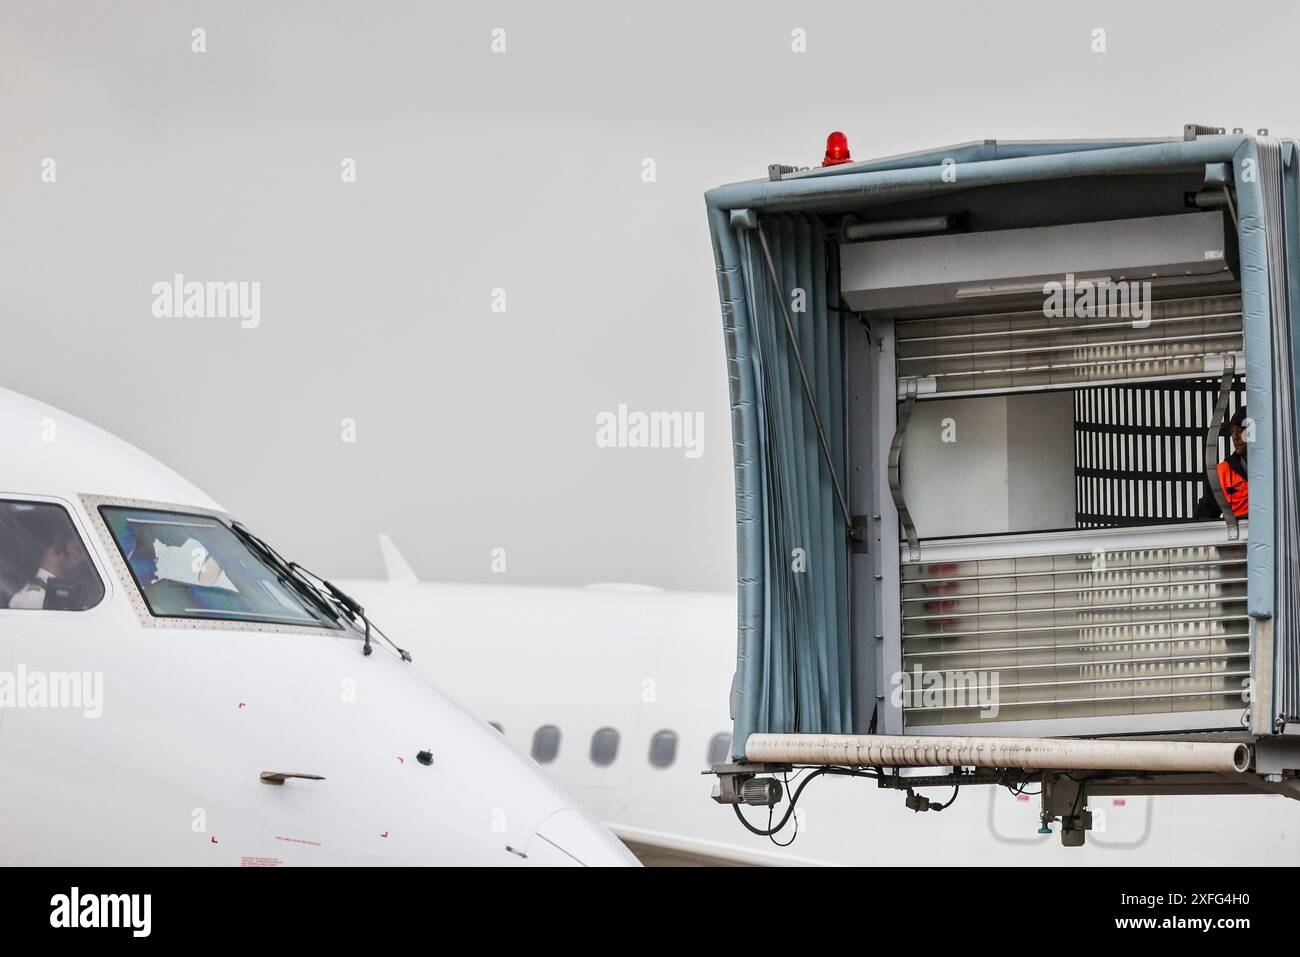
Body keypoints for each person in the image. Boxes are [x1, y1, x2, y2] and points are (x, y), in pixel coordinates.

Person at [8, 521, 93, 609]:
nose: (83, 558)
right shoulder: (35, 596)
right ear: (54, 551)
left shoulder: (60, 590)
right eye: (77, 550)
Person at [1194, 406, 1248, 520]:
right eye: (1232, 431)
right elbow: (1204, 515)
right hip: (1239, 536)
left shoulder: (1280, 466)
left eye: (1240, 431)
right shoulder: (1221, 473)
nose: (1235, 437)